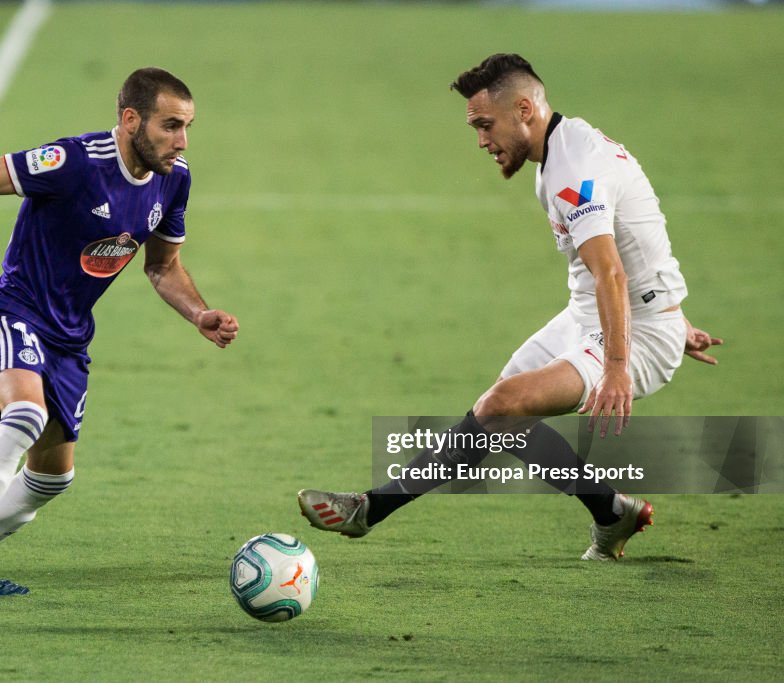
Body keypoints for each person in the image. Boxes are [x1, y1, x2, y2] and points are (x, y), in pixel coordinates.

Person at [298, 53, 722, 561]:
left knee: (500, 407)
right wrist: (675, 310)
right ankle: (611, 512)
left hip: (634, 332)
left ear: (524, 109)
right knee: (502, 415)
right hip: (598, 314)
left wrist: (620, 363)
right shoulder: (562, 152)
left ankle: (369, 510)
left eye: (484, 124)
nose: (480, 141)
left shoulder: (573, 171)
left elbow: (612, 270)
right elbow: (638, 241)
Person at [0, 67, 239, 608]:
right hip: (14, 313)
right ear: (131, 119)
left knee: (51, 478)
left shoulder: (173, 178)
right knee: (26, 416)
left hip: (69, 339)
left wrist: (198, 313)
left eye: (186, 127)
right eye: (170, 125)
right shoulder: (73, 162)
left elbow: (162, 266)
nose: (181, 141)